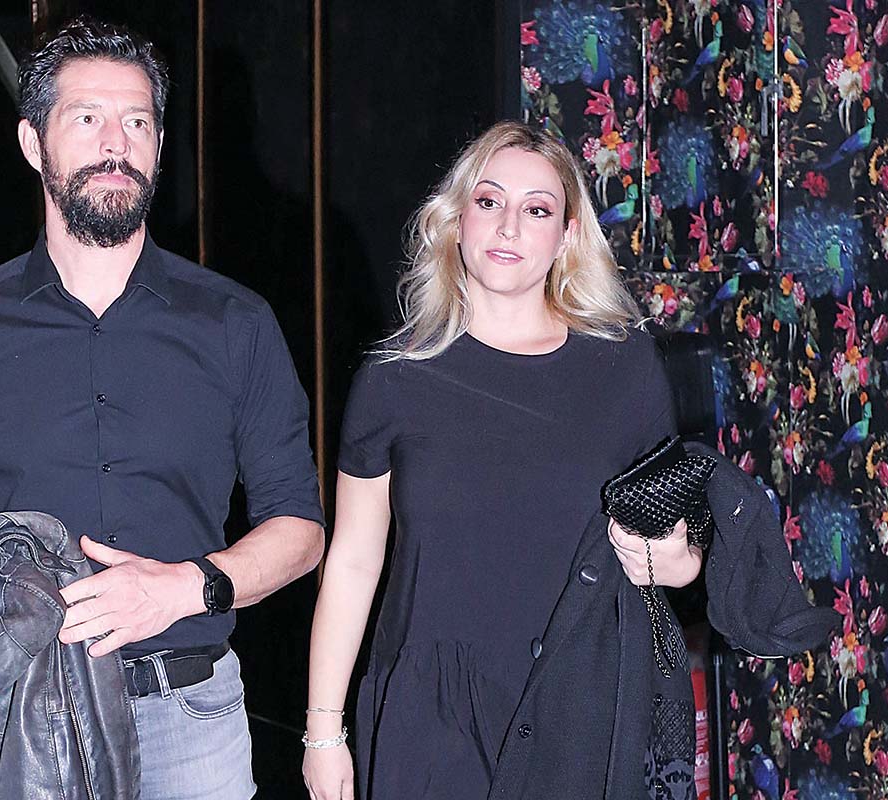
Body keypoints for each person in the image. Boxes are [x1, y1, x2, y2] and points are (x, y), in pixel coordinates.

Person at [0, 18, 324, 800]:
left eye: (138, 122)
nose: (117, 143)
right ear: (32, 142)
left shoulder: (236, 323)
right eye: (87, 119)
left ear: (159, 145)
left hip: (192, 719)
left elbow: (300, 530)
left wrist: (185, 588)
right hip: (22, 720)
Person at [301, 121, 703, 800]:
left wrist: (670, 560)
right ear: (456, 221)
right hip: (429, 714)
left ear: (567, 236)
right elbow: (353, 562)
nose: (509, 226)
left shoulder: (625, 369)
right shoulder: (395, 378)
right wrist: (322, 732)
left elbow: (682, 555)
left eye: (537, 210)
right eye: (488, 202)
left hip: (579, 710)